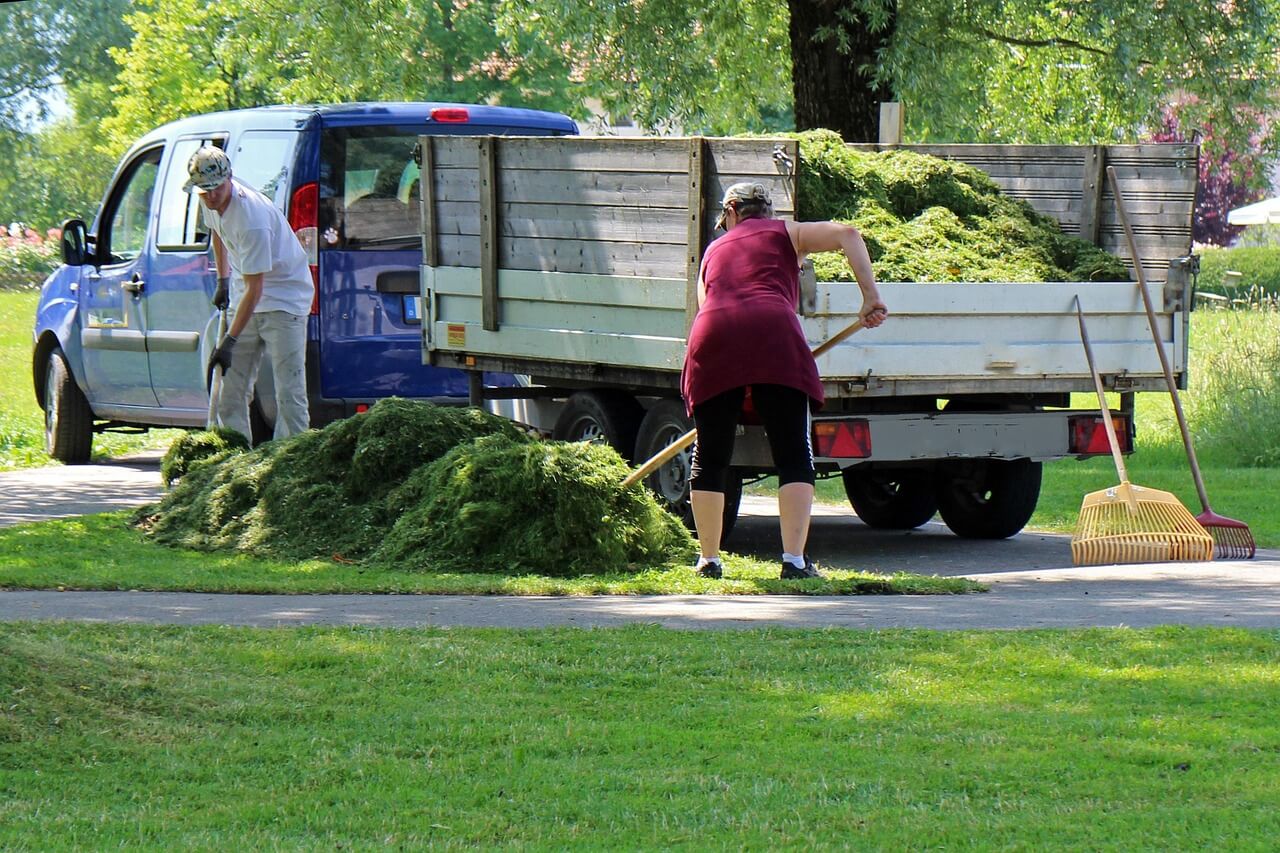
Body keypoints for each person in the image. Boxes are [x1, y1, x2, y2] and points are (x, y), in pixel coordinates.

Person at [681, 181, 887, 579]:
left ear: (733, 213)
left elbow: (708, 304)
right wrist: (869, 297)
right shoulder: (787, 231)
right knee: (793, 452)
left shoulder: (711, 251)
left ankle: (709, 560)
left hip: (713, 334)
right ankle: (793, 561)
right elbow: (848, 234)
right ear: (767, 211)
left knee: (710, 456)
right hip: (774, 330)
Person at [186, 146, 314, 441]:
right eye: (203, 192)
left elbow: (258, 289)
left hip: (284, 299)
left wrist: (229, 341)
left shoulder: (251, 219)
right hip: (246, 294)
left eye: (215, 189)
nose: (210, 197)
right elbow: (216, 232)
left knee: (289, 393)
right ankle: (233, 460)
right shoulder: (208, 199)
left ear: (228, 179)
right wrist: (222, 279)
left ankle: (289, 464)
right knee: (229, 390)